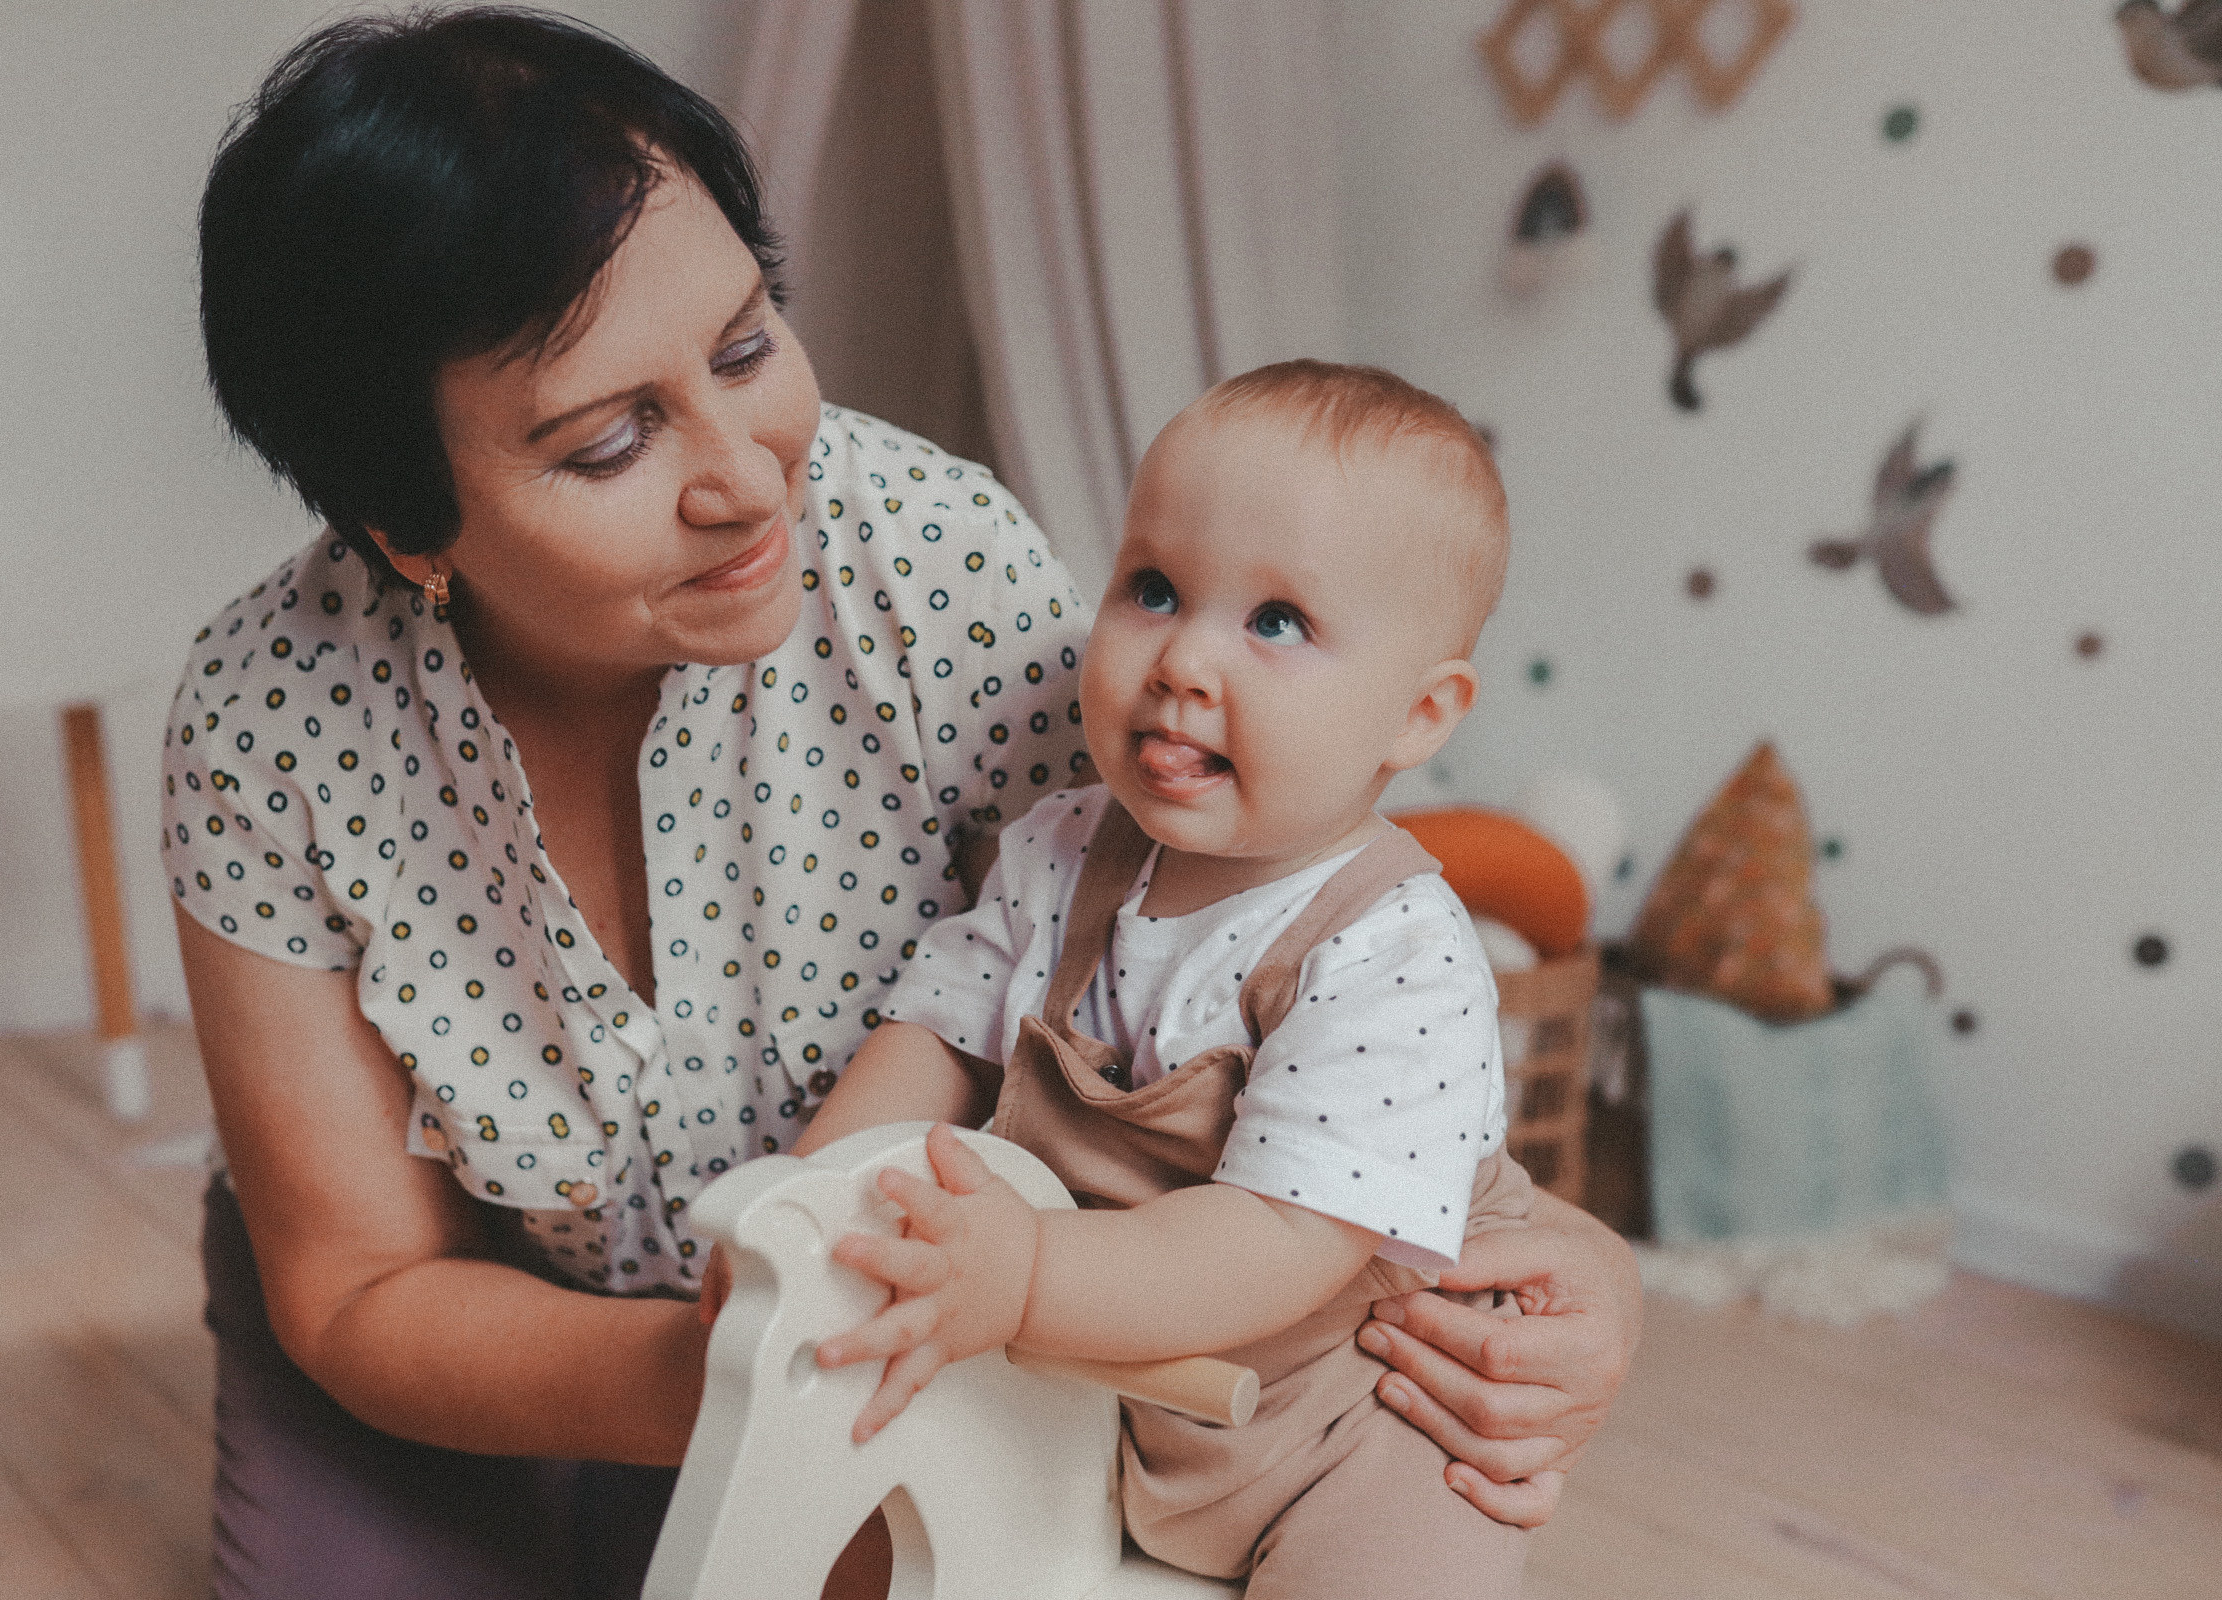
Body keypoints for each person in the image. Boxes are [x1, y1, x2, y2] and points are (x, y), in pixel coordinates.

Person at [170, 10, 1643, 1598]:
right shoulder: (271, 721)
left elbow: (1229, 982)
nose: (748, 477)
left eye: (746, 347)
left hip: (914, 1316)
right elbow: (360, 1291)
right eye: (610, 441)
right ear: (410, 528)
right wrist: (749, 1372)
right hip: (503, 1329)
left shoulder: (928, 563)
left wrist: (1578, 1278)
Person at [794, 362, 1531, 1595]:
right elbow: (934, 1032)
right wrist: (809, 1204)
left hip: (1347, 1425)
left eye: (1276, 621)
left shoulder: (1394, 953)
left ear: (1417, 715)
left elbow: (1279, 1238)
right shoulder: (1062, 849)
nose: (1185, 656)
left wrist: (1027, 1271)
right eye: (1154, 588)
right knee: (862, 1506)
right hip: (1097, 1382)